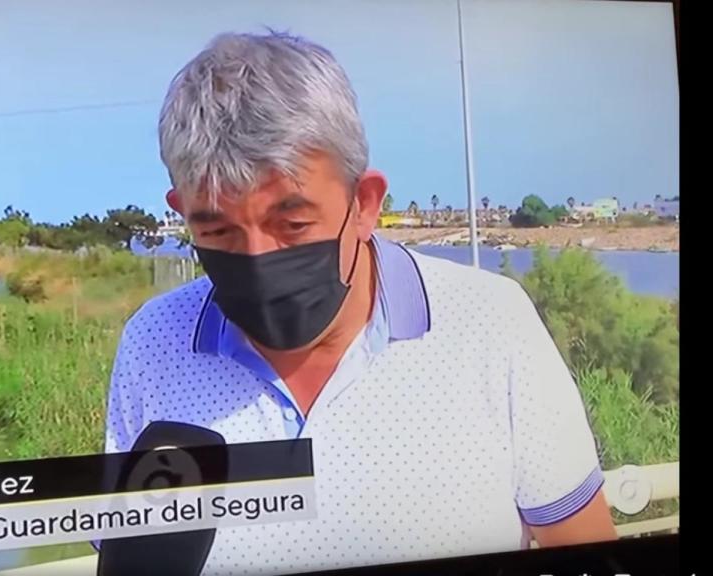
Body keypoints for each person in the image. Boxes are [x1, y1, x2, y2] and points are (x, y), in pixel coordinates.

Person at [103, 31, 617, 574]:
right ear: (180, 210)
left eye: (293, 224)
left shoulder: (490, 325)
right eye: (218, 230)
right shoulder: (153, 343)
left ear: (364, 203)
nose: (256, 258)